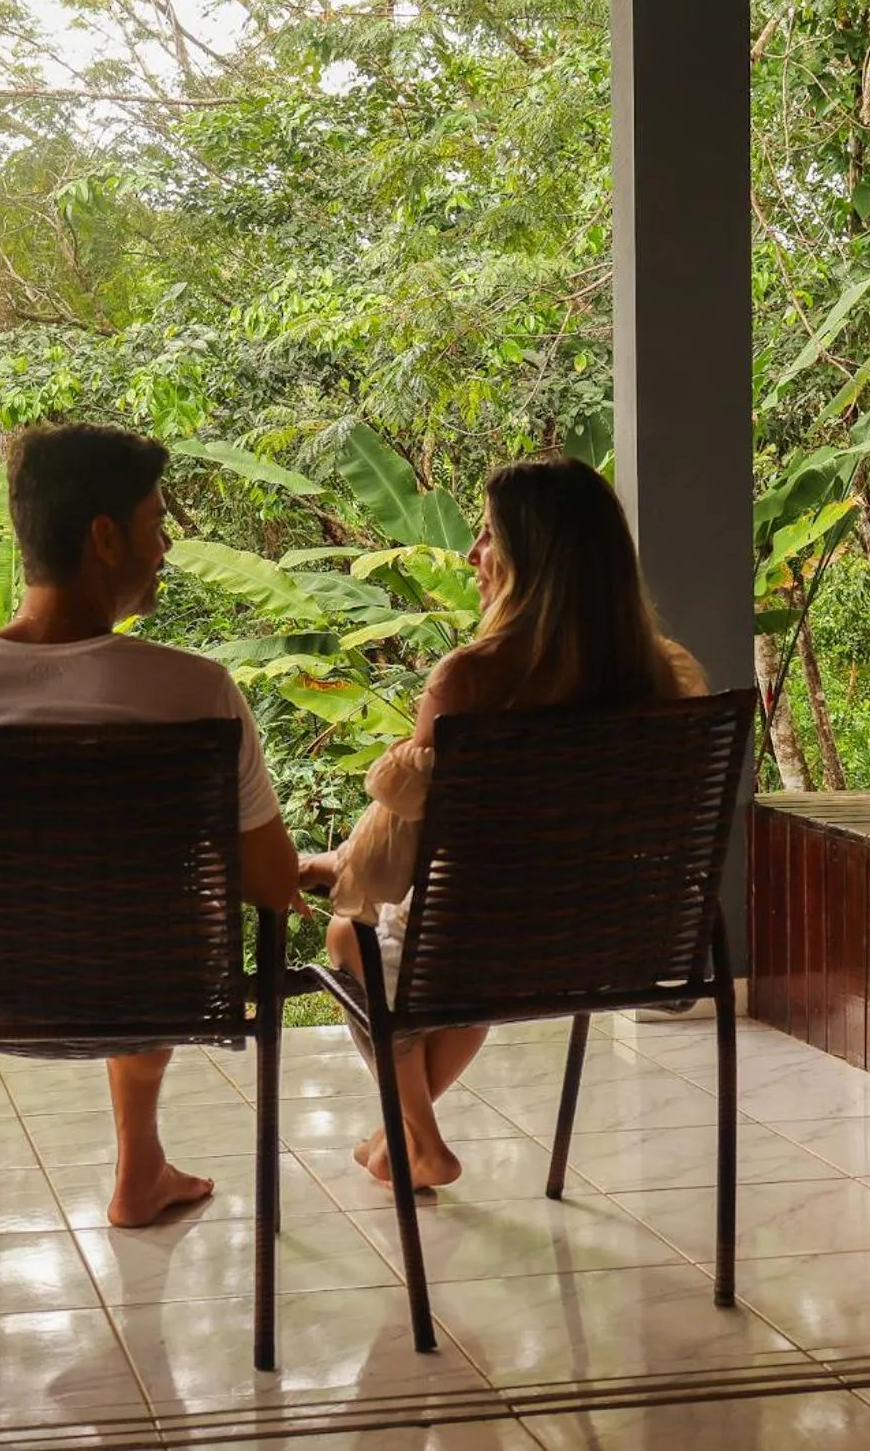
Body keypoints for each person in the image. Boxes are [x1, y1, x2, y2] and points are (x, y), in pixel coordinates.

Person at [0, 423, 301, 1228]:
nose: (164, 547)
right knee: (136, 905)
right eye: (156, 525)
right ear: (104, 538)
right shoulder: (193, 693)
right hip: (154, 994)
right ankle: (142, 1167)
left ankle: (144, 1168)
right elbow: (271, 882)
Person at [298, 453, 708, 1193]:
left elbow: (406, 839)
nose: (470, 553)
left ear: (531, 559)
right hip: (622, 939)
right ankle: (403, 1144)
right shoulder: (669, 676)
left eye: (486, 536)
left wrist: (340, 870)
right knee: (455, 952)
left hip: (486, 947)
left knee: (350, 939)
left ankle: (416, 1138)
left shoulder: (468, 679)